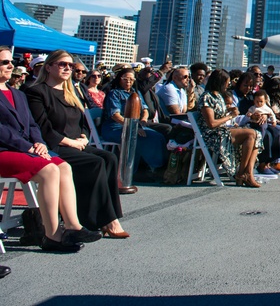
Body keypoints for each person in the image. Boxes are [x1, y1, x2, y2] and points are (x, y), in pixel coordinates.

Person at [0, 46, 102, 253]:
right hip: (4, 150)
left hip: (26, 149)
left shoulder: (17, 94)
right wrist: (29, 146)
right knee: (49, 170)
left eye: (10, 61)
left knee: (63, 167)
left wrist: (38, 143)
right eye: (4, 62)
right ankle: (52, 236)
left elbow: (32, 125)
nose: (11, 65)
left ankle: (73, 226)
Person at [24, 50, 129, 238]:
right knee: (94, 163)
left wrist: (83, 137)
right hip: (53, 147)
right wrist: (71, 143)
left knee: (109, 158)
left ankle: (110, 217)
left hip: (76, 144)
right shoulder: (36, 92)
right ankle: (101, 220)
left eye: (70, 66)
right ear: (48, 67)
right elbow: (43, 128)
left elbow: (83, 123)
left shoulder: (71, 92)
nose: (67, 68)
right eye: (62, 64)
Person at [101, 67, 167, 185]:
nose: (129, 82)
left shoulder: (134, 93)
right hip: (115, 127)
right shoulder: (114, 93)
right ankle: (136, 171)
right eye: (125, 79)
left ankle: (156, 167)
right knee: (142, 137)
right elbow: (115, 115)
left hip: (133, 124)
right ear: (119, 79)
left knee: (157, 136)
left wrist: (143, 119)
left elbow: (145, 109)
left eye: (132, 79)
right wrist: (132, 127)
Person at [195, 69, 260, 187]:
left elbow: (219, 112)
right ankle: (242, 173)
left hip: (222, 130)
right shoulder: (206, 97)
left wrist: (230, 110)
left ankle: (247, 172)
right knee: (250, 134)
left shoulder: (219, 96)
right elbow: (212, 123)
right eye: (227, 82)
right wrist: (230, 116)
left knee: (256, 134)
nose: (228, 85)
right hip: (212, 134)